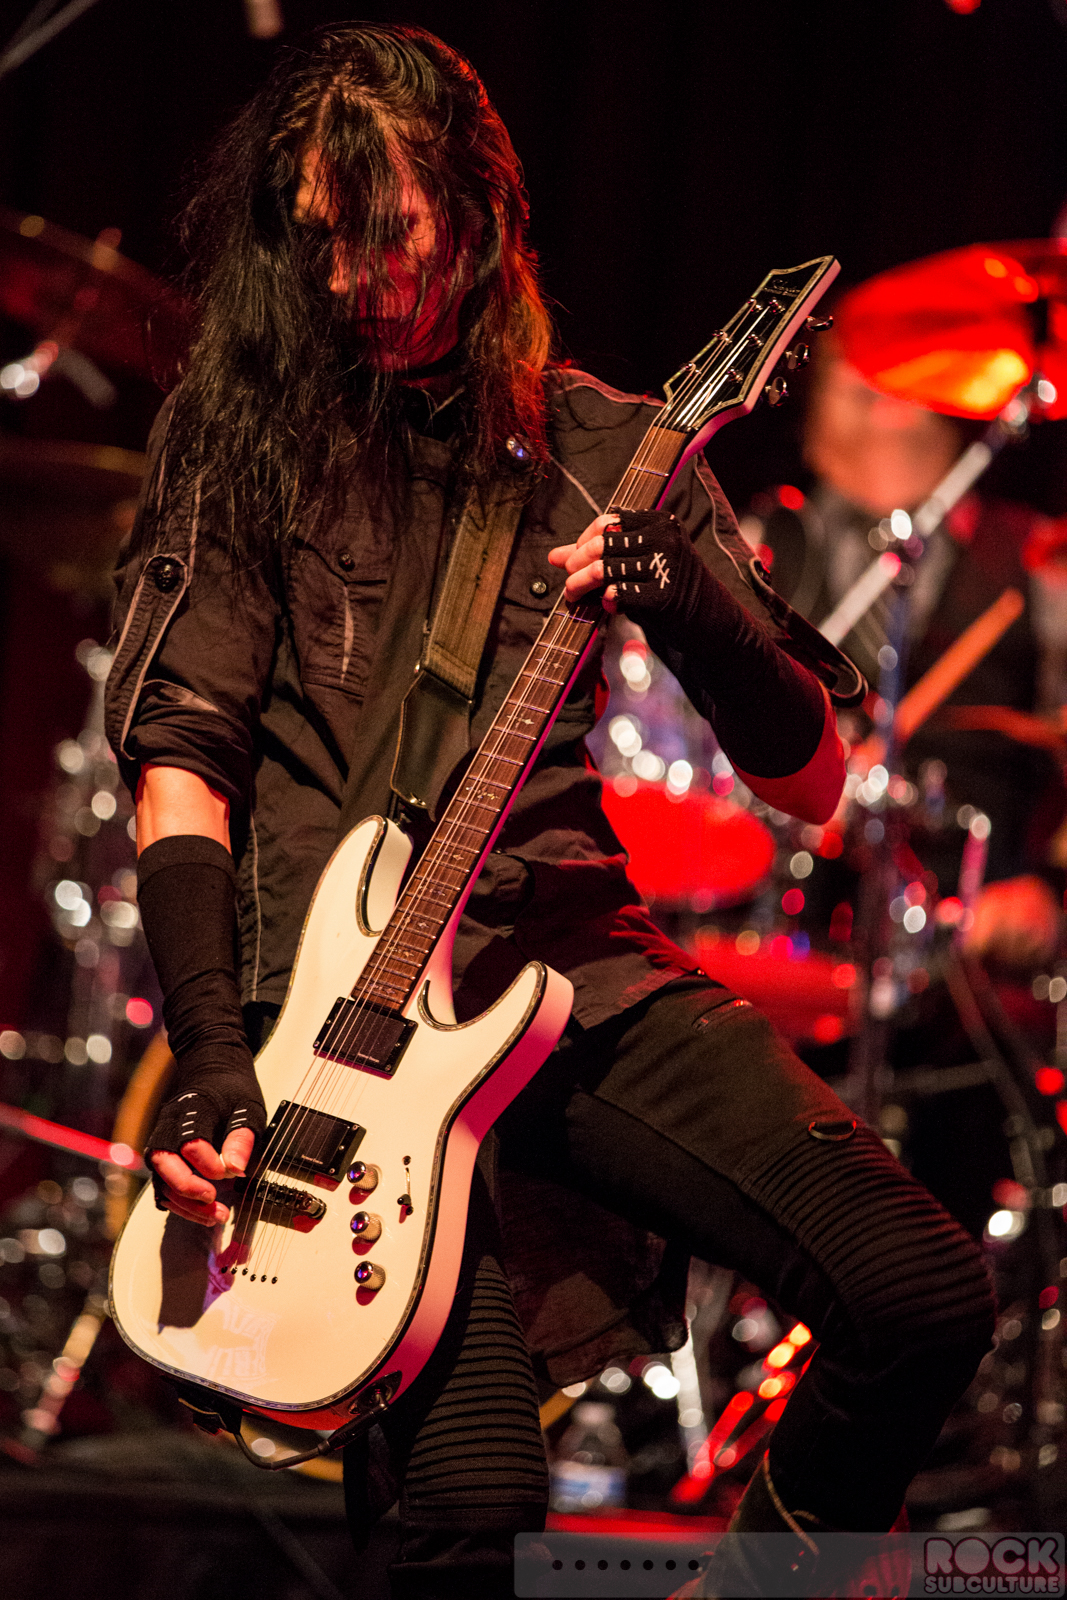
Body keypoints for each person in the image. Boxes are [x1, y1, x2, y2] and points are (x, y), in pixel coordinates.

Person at [104, 25, 995, 1599]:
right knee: (474, 1505)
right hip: (333, 1026)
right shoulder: (244, 436)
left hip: (567, 973)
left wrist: (700, 613)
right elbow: (183, 765)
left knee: (914, 1291)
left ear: (479, 213)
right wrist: (213, 1056)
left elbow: (809, 786)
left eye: (390, 233)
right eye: (317, 237)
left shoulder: (607, 446)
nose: (350, 278)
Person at [750, 345, 1066, 971]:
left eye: (903, 352)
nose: (880, 378)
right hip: (771, 943)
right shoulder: (754, 546)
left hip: (972, 964)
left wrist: (1055, 890)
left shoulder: (1040, 564)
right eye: (861, 353)